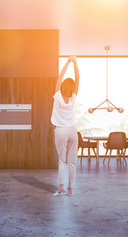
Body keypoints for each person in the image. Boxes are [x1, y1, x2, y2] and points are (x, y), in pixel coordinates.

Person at [51, 56, 79, 196]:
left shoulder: (57, 95)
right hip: (72, 130)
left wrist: (67, 62)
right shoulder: (73, 97)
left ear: (62, 86)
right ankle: (71, 189)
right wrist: (75, 62)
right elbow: (78, 77)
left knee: (62, 161)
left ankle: (61, 187)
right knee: (72, 162)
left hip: (60, 130)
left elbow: (59, 78)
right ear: (73, 88)